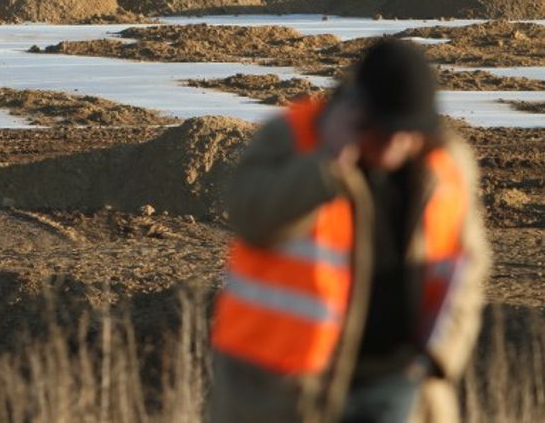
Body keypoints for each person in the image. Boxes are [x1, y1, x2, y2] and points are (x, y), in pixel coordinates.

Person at [209, 39, 489, 423]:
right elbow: (249, 217)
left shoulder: (446, 166)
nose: (396, 145)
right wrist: (326, 164)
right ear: (358, 112)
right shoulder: (293, 140)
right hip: (290, 390)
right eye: (386, 132)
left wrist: (437, 358)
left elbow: (467, 268)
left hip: (398, 383)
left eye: (408, 134)